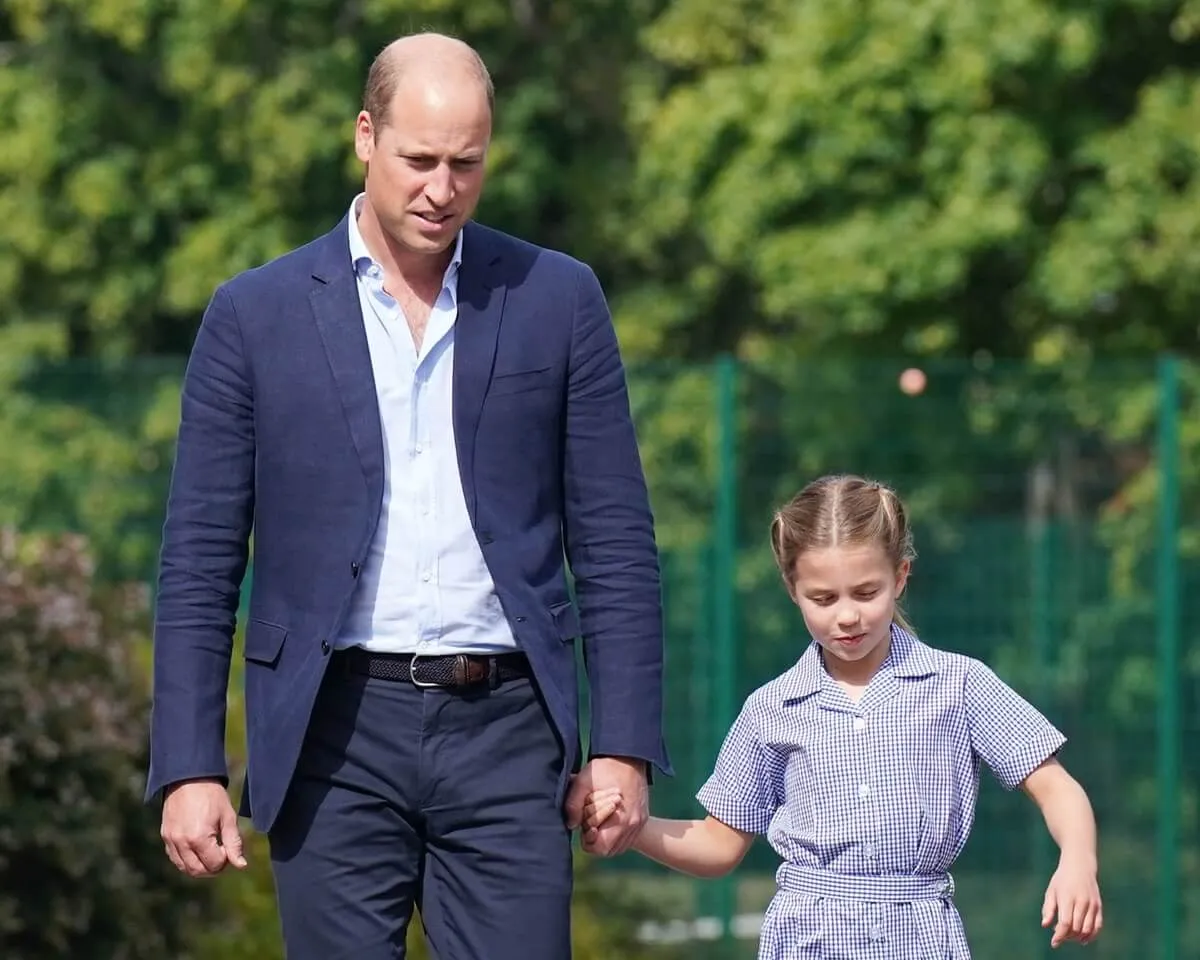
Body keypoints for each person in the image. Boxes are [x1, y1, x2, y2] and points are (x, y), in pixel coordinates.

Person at [146, 31, 670, 960]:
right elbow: (199, 558)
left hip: (510, 734)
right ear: (364, 137)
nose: (441, 189)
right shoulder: (253, 315)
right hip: (329, 735)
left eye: (466, 164)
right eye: (419, 159)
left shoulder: (558, 298)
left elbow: (617, 541)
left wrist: (623, 743)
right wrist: (189, 766)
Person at [581, 474, 1103, 957]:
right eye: (824, 598)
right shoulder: (772, 709)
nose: (847, 615)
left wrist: (1078, 860)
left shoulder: (959, 684)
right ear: (793, 591)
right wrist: (635, 825)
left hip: (920, 938)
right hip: (805, 939)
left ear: (900, 576)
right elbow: (718, 845)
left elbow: (1056, 787)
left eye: (866, 592)